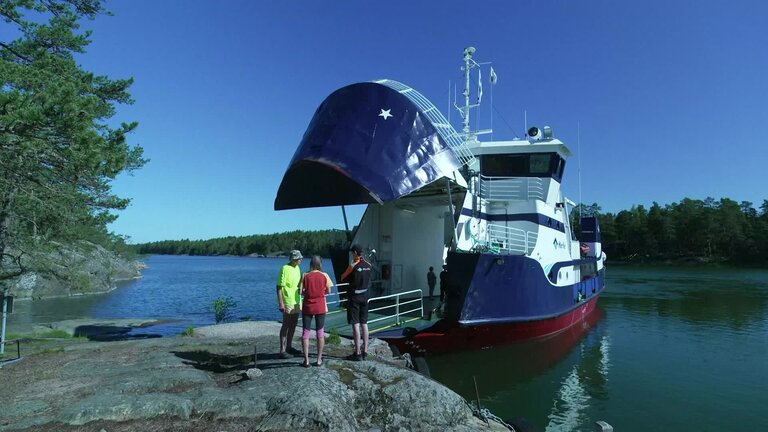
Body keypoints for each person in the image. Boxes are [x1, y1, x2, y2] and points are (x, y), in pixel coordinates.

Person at [299, 255, 332, 367]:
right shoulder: (325, 275)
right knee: (320, 333)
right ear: (320, 264)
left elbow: (300, 292)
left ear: (311, 264)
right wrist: (321, 293)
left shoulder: (305, 275)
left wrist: (307, 293)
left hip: (307, 306)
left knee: (305, 333)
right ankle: (318, 360)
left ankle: (306, 360)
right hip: (320, 306)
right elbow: (328, 291)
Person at [340, 244, 371, 361]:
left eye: (352, 253)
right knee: (364, 323)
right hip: (365, 296)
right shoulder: (368, 265)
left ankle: (357, 353)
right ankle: (366, 351)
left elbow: (343, 277)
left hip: (355, 297)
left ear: (355, 253)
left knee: (355, 324)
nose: (351, 254)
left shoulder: (353, 265)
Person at [276, 250, 303, 359]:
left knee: (294, 324)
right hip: (287, 300)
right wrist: (281, 302)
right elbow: (279, 286)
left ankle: (289, 346)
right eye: (299, 258)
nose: (301, 260)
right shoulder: (284, 268)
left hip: (297, 300)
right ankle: (282, 350)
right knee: (286, 324)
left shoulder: (297, 268)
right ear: (294, 259)